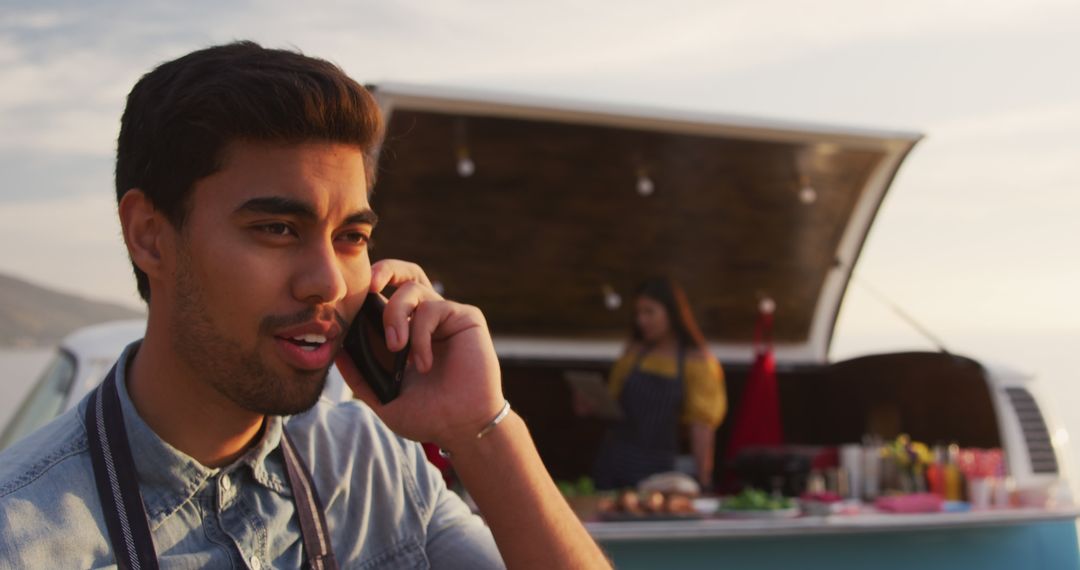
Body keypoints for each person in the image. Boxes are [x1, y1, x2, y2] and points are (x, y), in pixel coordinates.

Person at [0, 41, 610, 569]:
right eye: (276, 229)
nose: (327, 282)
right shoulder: (20, 535)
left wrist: (480, 428)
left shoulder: (370, 463)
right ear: (150, 236)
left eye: (352, 238)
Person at [592, 277, 727, 491]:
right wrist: (591, 403)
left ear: (672, 313)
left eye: (649, 312)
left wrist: (704, 480)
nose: (641, 320)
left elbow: (701, 427)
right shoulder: (633, 352)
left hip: (658, 473)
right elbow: (613, 405)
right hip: (612, 463)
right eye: (638, 313)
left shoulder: (697, 362)